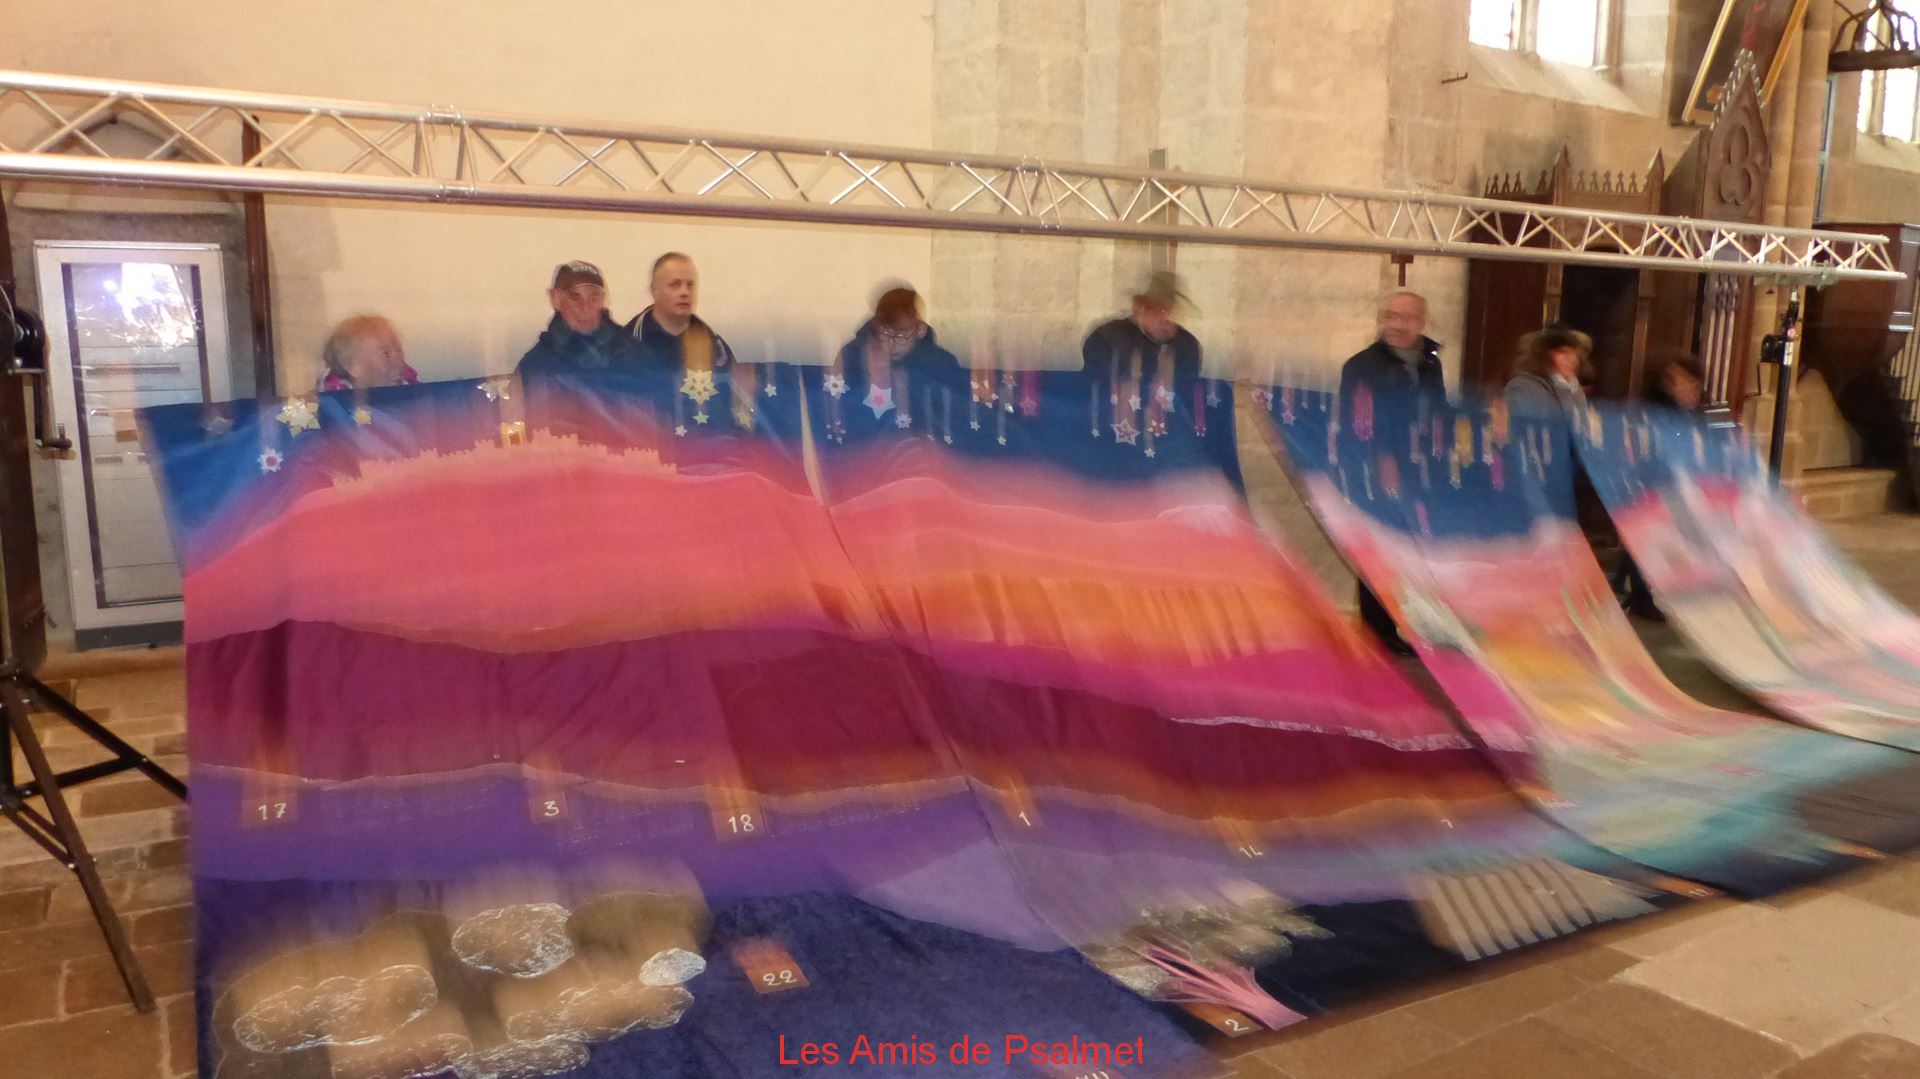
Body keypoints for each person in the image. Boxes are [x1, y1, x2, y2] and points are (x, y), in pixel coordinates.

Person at [1337, 290, 1446, 657]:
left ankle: (1407, 624)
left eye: (1405, 318)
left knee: (1410, 551)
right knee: (1378, 552)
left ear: (1422, 322)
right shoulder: (1361, 366)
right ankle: (1376, 634)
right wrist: (1382, 459)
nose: (1396, 325)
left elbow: (1438, 411)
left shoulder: (1430, 362)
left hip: (1420, 470)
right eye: (1390, 316)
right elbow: (1357, 421)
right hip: (1375, 473)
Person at [1612, 353, 1708, 620]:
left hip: (1679, 479)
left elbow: (1700, 434)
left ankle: (1629, 586)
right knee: (1646, 535)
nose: (1684, 385)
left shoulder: (1696, 405)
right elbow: (1645, 439)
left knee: (1659, 534)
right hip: (1650, 480)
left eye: (1689, 381)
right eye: (1677, 379)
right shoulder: (1651, 406)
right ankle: (1640, 596)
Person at [827, 287, 964, 434]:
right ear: (876, 325)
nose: (890, 345)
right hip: (862, 443)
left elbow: (955, 421)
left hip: (921, 444)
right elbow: (836, 411)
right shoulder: (851, 357)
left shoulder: (941, 363)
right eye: (884, 332)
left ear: (920, 330)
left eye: (900, 336)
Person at [1081, 271, 1202, 389]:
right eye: (1159, 309)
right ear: (1141, 309)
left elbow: (1187, 393)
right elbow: (1095, 390)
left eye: (1171, 310)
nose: (1165, 317)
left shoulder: (1187, 345)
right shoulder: (1106, 338)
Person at [515, 261, 625, 376]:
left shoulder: (629, 350)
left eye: (593, 299)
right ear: (556, 300)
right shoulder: (536, 365)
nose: (585, 308)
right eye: (575, 299)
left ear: (603, 301)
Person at [627, 252, 733, 371]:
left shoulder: (710, 340)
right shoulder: (629, 342)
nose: (685, 292)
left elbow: (732, 380)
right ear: (655, 290)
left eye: (690, 285)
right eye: (675, 285)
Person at [1503, 325, 1591, 420]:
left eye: (1575, 353)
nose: (1572, 359)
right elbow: (1518, 425)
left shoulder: (1575, 390)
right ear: (1544, 356)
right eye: (1563, 352)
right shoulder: (1523, 387)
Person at [318, 315, 417, 391]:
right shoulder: (335, 403)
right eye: (385, 353)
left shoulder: (411, 390)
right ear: (354, 367)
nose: (398, 360)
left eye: (399, 349)